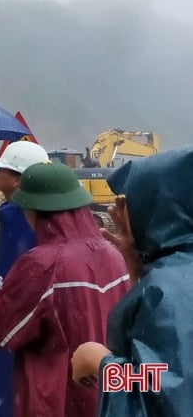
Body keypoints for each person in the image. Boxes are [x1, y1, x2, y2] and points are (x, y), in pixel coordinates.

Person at [0, 161, 129, 417]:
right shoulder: (115, 255)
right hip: (110, 397)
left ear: (34, 210)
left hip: (62, 401)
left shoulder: (42, 263)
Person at [71, 146, 193, 415]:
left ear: (154, 207)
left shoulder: (163, 293)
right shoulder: (171, 277)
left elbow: (163, 394)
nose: (119, 210)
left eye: (128, 202)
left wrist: (99, 361)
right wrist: (138, 266)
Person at [0, 140, 49, 417]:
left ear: (18, 179)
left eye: (2, 170)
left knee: (10, 387)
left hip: (16, 315)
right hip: (19, 313)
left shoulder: (21, 219)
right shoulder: (18, 213)